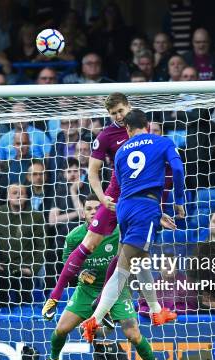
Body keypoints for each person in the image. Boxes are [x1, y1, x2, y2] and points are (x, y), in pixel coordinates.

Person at [32, 194, 168, 360]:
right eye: (89, 209)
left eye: (97, 208)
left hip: (117, 289)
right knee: (61, 329)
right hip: (86, 291)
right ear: (83, 212)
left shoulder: (119, 230)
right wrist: (81, 275)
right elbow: (67, 266)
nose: (93, 212)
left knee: (133, 334)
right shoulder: (74, 237)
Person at [80, 108, 185, 341]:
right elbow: (177, 169)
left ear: (127, 129)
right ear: (146, 124)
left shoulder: (120, 153)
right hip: (143, 209)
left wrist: (153, 215)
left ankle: (157, 311)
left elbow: (129, 186)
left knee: (140, 261)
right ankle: (95, 319)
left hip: (125, 208)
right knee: (124, 268)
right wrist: (178, 201)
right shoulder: (162, 141)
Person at [42, 93, 133, 318]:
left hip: (136, 197)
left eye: (121, 111)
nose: (119, 116)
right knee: (89, 243)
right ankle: (54, 295)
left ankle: (103, 304)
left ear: (128, 107)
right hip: (114, 194)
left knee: (126, 253)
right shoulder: (105, 136)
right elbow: (92, 172)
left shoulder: (143, 127)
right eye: (113, 114)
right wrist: (102, 197)